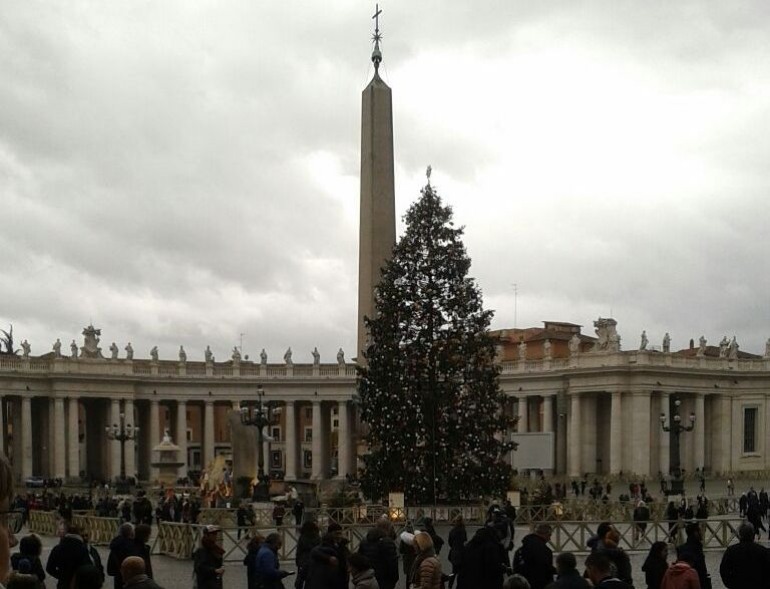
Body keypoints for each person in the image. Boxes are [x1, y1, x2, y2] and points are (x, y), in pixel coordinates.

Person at [719, 521, 770, 588]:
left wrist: (731, 585)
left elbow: (724, 571)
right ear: (753, 535)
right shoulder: (763, 551)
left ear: (740, 535)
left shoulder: (731, 551)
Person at [456, 525, 508, 589]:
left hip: (467, 583)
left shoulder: (469, 546)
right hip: (485, 584)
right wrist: (503, 568)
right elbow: (493, 568)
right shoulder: (491, 547)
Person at [45, 522, 92, 589]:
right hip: (78, 583)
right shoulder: (82, 549)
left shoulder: (58, 548)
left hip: (62, 583)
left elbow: (49, 568)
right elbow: (88, 566)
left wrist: (61, 575)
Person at [356, 520, 398, 589]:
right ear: (387, 528)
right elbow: (393, 564)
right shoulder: (387, 542)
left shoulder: (364, 541)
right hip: (384, 580)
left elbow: (360, 559)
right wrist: (393, 580)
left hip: (368, 579)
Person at [516, 524, 555, 589]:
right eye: (549, 535)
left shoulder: (520, 550)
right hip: (539, 584)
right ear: (544, 534)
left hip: (522, 583)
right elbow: (546, 568)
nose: (549, 539)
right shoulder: (544, 550)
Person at [676, 523, 711, 589]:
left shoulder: (681, 548)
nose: (702, 533)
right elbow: (701, 570)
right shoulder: (696, 548)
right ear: (695, 532)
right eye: (700, 530)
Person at [107, 523, 141, 589]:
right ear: (131, 532)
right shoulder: (130, 546)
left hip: (118, 575)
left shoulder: (116, 544)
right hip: (129, 576)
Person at [294, 521, 320, 589]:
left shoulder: (302, 537)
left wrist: (297, 560)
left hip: (303, 560)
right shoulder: (317, 537)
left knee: (300, 579)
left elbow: (299, 550)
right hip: (314, 560)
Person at [447, 515, 467, 588]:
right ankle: (459, 586)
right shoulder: (463, 531)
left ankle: (450, 585)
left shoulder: (452, 531)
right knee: (461, 572)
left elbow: (450, 542)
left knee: (453, 571)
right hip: (461, 553)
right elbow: (464, 542)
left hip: (454, 553)